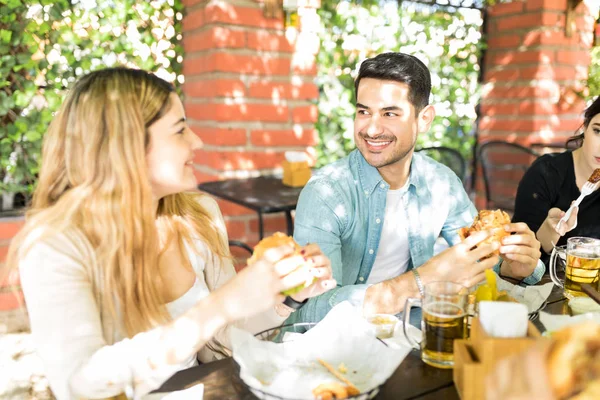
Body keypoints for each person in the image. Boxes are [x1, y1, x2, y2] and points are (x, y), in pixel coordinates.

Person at [4, 68, 335, 399]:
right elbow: (79, 385)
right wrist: (220, 305)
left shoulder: (197, 214)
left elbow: (224, 338)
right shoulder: (55, 245)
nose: (197, 141)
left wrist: (287, 296)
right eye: (180, 131)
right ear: (128, 146)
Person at [287, 52, 544, 324]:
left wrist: (516, 267)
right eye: (364, 111)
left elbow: (479, 256)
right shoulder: (326, 193)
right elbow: (309, 310)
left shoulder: (440, 182)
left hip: (414, 338)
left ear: (424, 119)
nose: (371, 129)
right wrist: (423, 281)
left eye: (389, 113)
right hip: (337, 350)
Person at [513, 96, 600, 264]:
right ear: (586, 126)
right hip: (545, 286)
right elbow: (517, 261)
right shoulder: (545, 173)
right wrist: (550, 231)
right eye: (599, 131)